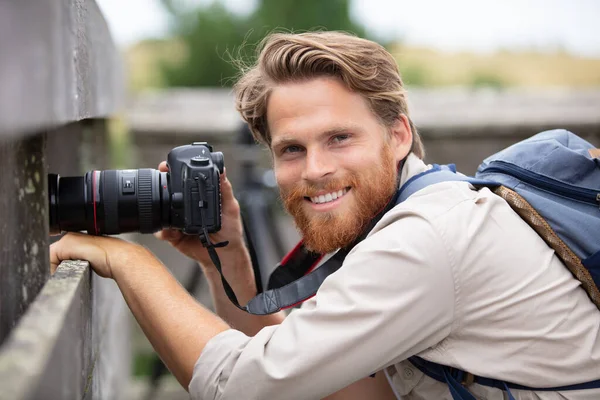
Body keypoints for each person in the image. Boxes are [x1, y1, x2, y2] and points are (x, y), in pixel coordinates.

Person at [50, 32, 600, 400]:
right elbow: (325, 385)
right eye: (292, 149)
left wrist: (122, 256)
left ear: (398, 134)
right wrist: (231, 259)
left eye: (340, 138)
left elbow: (239, 386)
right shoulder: (429, 205)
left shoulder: (427, 240)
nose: (315, 169)